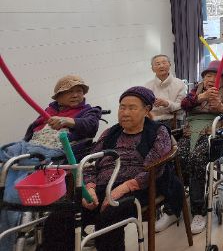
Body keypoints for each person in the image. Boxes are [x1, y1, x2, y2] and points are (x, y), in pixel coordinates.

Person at [40, 87, 176, 251]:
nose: (125, 113)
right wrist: (89, 188)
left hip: (138, 189)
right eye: (122, 107)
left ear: (146, 110)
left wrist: (123, 188)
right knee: (58, 217)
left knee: (108, 220)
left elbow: (155, 168)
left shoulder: (158, 132)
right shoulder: (110, 132)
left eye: (132, 108)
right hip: (100, 188)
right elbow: (90, 162)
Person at [0, 75, 101, 251]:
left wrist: (68, 121)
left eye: (79, 91)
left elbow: (91, 125)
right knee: (7, 160)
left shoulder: (89, 111)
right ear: (58, 97)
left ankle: (16, 219)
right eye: (69, 91)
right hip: (29, 148)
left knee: (15, 181)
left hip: (52, 153)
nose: (75, 95)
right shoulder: (48, 110)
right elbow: (31, 133)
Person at [178, 61, 223, 234]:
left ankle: (198, 211)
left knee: (197, 158)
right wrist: (201, 98)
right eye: (208, 76)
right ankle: (176, 204)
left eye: (215, 77)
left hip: (217, 133)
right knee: (177, 158)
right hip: (191, 131)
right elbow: (184, 105)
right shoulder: (197, 90)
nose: (210, 79)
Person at [144, 54, 186, 126]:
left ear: (169, 65)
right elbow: (145, 107)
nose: (161, 66)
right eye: (157, 64)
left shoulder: (180, 84)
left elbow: (182, 107)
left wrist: (166, 104)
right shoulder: (147, 86)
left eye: (164, 63)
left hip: (173, 120)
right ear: (152, 69)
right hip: (153, 121)